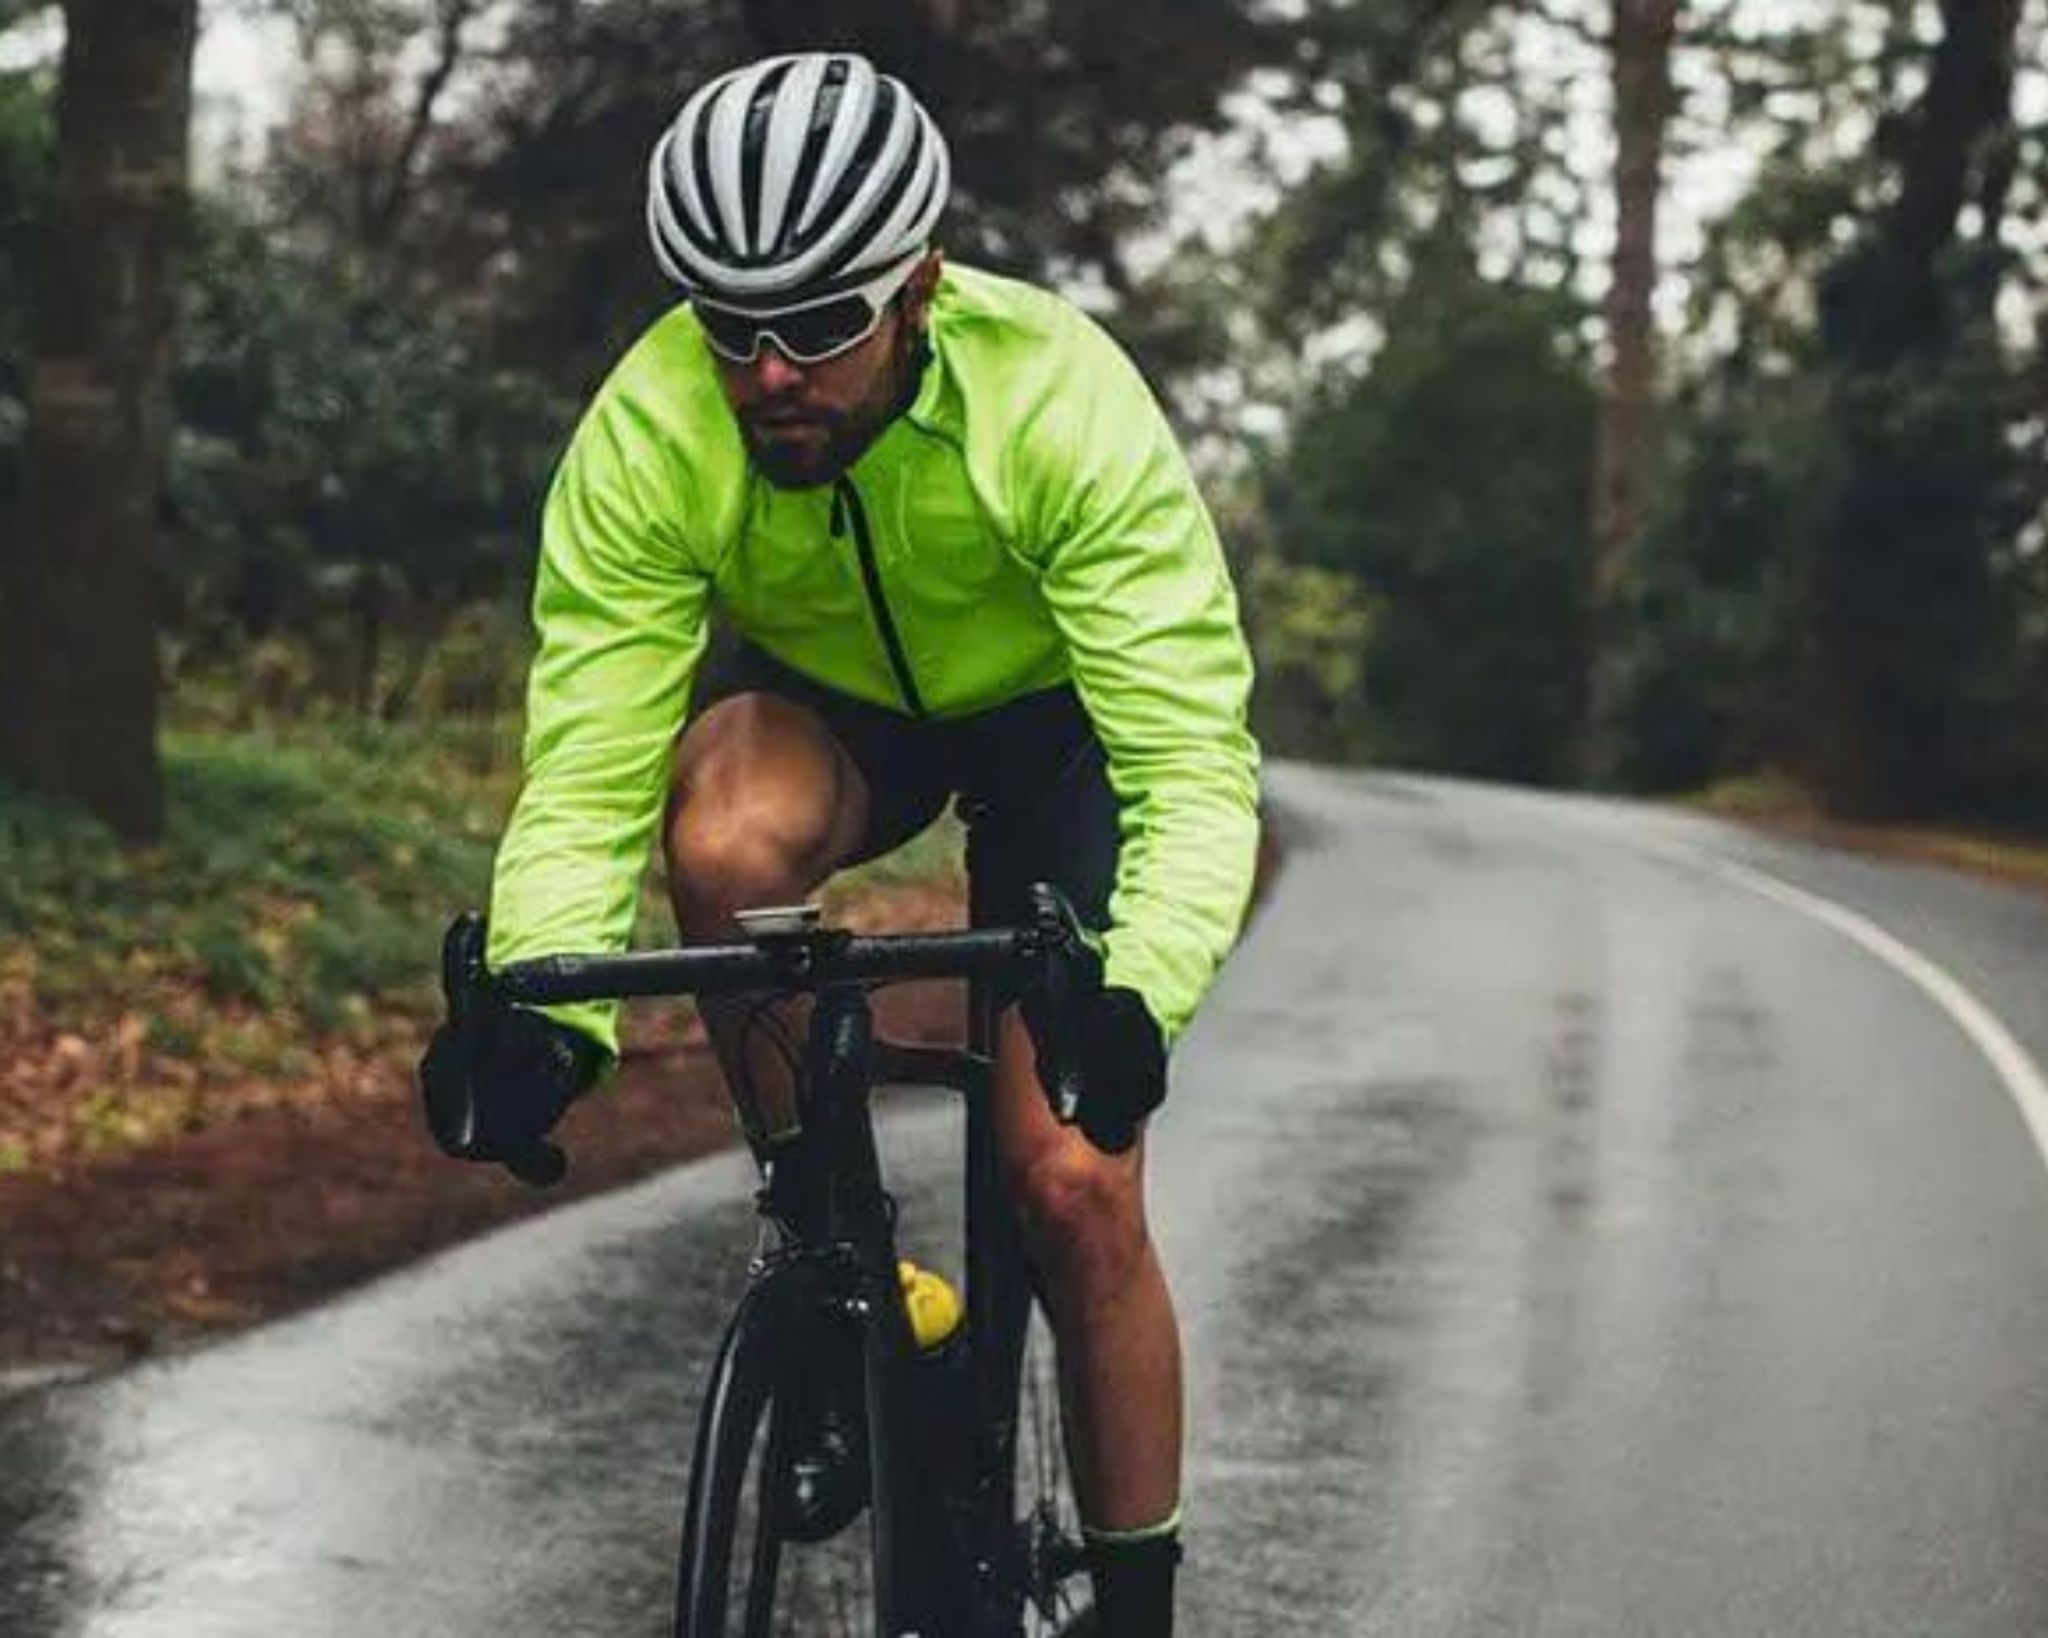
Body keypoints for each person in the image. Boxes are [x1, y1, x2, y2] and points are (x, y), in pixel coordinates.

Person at [419, 50, 1259, 1636]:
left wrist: (1134, 988)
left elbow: (1190, 756)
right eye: (731, 329)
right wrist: (545, 1003)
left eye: (815, 327)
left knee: (1073, 1184)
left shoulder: (1055, 397)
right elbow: (591, 761)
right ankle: (838, 1259)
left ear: (920, 285)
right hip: (836, 705)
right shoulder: (656, 424)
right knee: (722, 827)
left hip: (1058, 722)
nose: (767, 375)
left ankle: (1138, 1604)